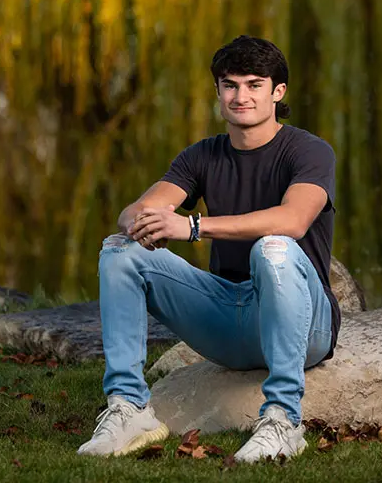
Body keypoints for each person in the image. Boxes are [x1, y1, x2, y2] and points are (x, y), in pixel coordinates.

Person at [77, 35, 340, 463]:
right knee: (120, 250)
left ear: (278, 92)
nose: (241, 96)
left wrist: (192, 226)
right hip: (228, 323)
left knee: (273, 247)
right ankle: (128, 409)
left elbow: (292, 220)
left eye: (255, 85)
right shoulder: (203, 156)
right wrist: (145, 223)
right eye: (230, 85)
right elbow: (135, 210)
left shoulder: (309, 151)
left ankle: (284, 419)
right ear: (217, 92)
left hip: (305, 326)